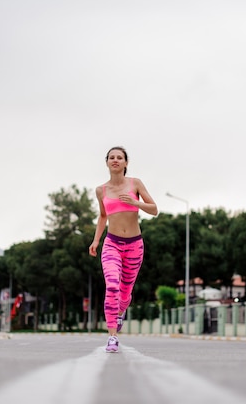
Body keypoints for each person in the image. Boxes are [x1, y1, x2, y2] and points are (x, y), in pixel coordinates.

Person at [89, 146, 158, 353]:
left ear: (126, 163)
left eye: (120, 157)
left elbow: (154, 209)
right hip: (111, 243)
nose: (116, 160)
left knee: (125, 293)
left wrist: (136, 202)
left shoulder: (135, 183)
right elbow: (103, 216)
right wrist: (96, 241)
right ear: (107, 162)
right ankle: (112, 337)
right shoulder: (101, 190)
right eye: (112, 157)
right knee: (112, 285)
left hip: (135, 245)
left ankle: (119, 312)